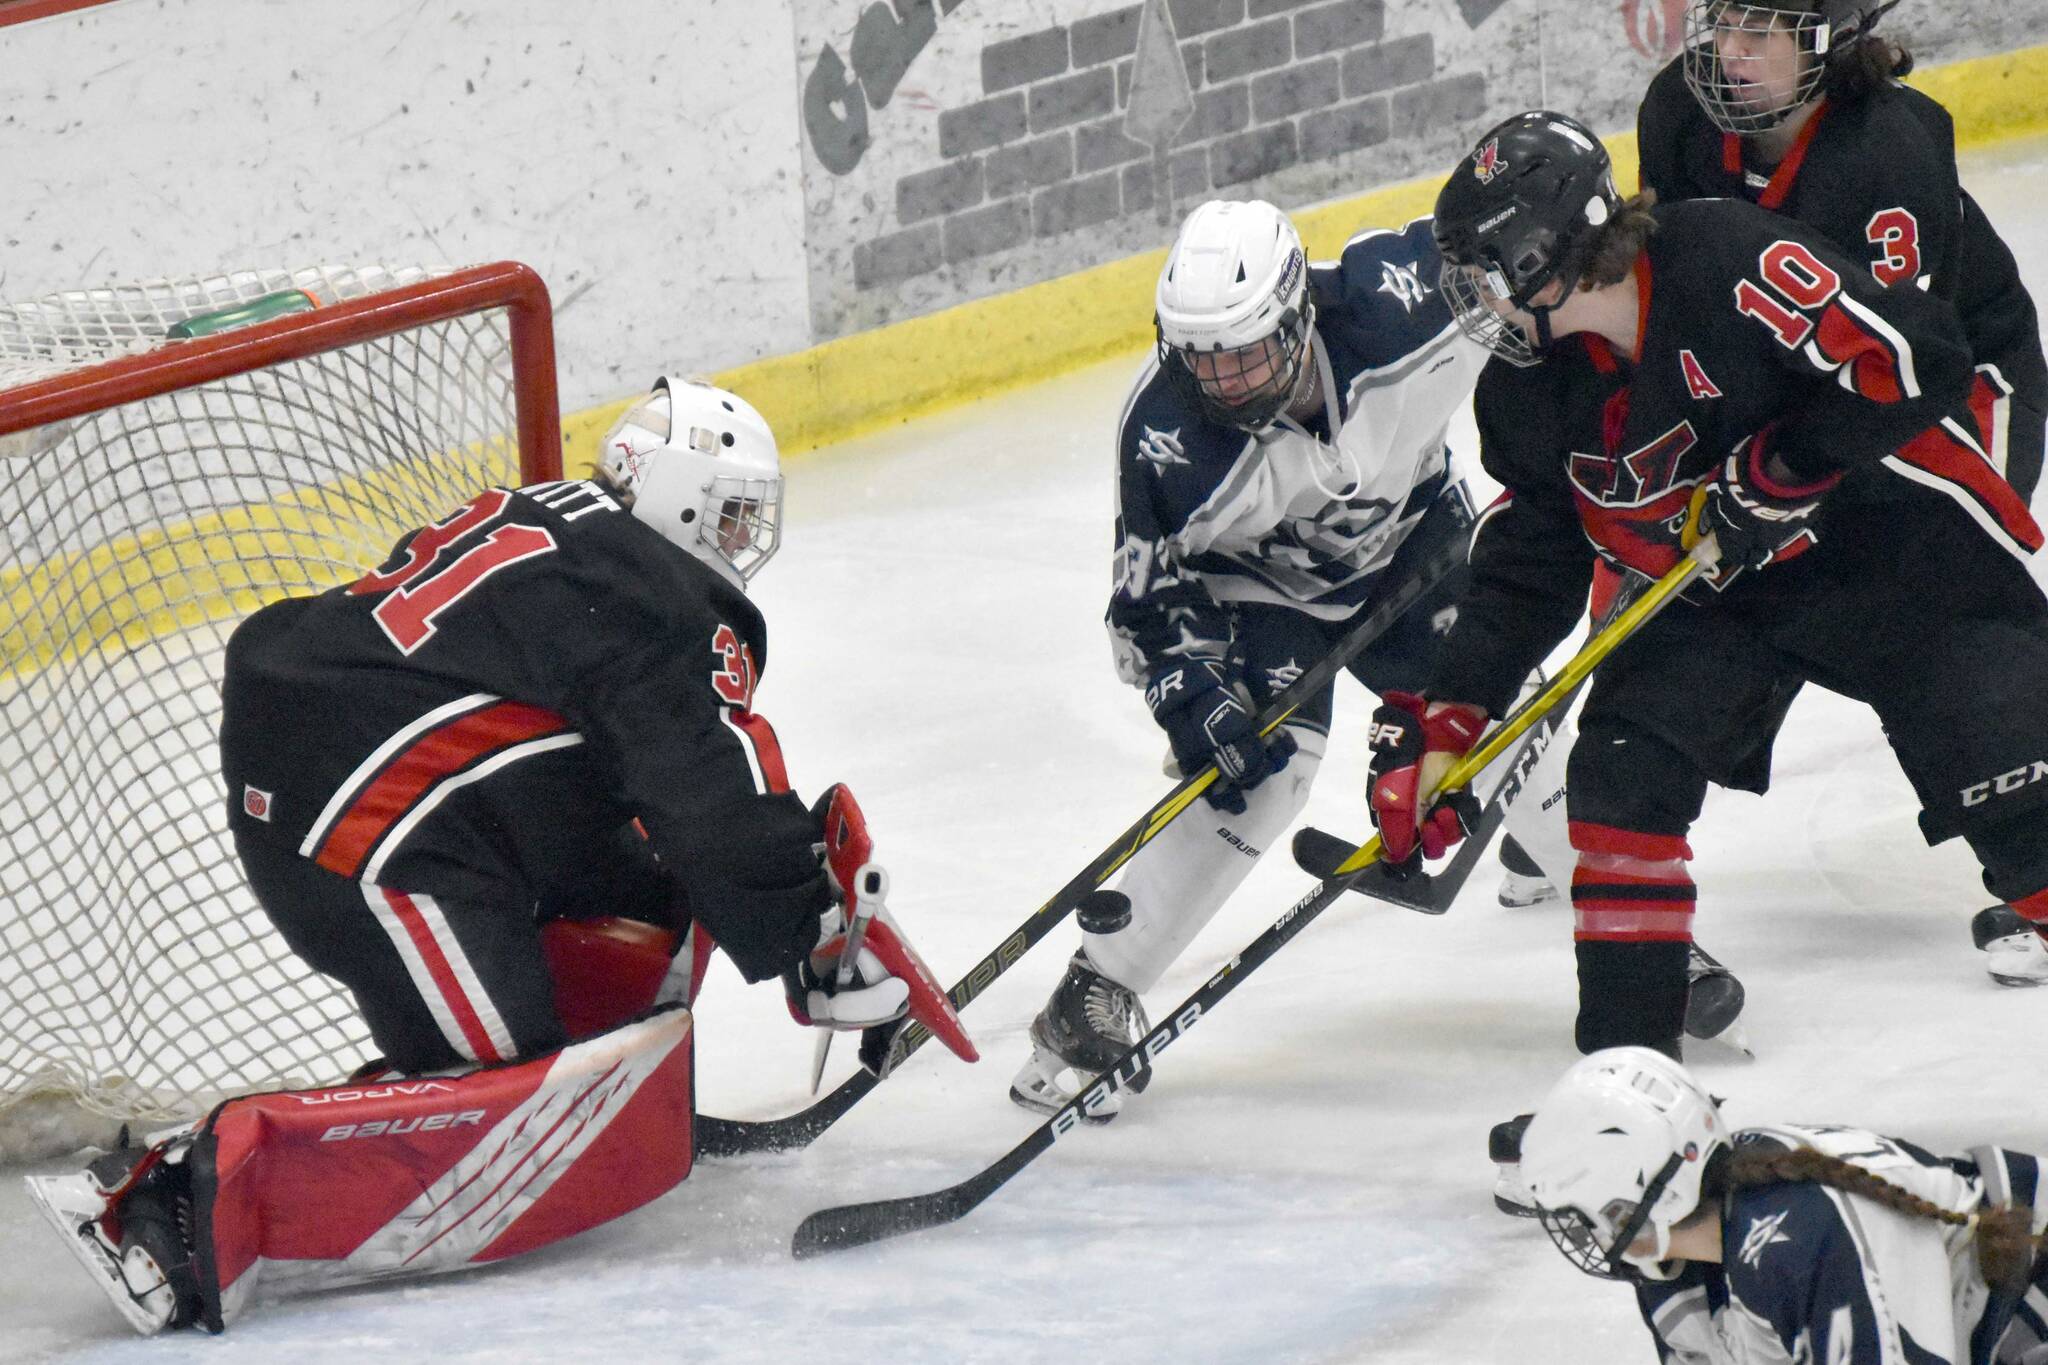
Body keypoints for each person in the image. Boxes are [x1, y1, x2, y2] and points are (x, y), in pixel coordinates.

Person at [25, 376, 973, 1334]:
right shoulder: (654, 593)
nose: (735, 542)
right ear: (673, 494)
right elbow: (709, 798)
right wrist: (809, 926)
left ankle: (601, 1100)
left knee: (650, 895)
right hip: (373, 821)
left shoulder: (571, 525)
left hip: (363, 773)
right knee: (511, 1106)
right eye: (726, 515)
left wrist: (783, 902)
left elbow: (660, 799)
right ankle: (168, 1205)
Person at [1383, 111, 2048, 1174]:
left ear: (1539, 256)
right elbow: (1532, 555)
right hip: (1718, 593)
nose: (1479, 303)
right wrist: (1447, 717)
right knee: (1616, 788)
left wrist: (1786, 465)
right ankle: (1620, 1111)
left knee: (2024, 813)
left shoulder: (1731, 259)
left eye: (1484, 274)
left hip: (1894, 554)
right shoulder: (1526, 384)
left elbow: (1918, 357)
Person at [1006, 195, 1590, 1121]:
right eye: (1201, 358)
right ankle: (1091, 994)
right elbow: (1144, 597)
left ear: (1298, 312)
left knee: (1503, 718)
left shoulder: (1406, 303)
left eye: (1242, 351)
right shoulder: (1165, 438)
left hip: (1412, 545)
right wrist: (1189, 691)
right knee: (1264, 768)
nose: (1224, 381)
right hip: (1258, 590)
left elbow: (1544, 264)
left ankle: (1623, 922)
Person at [1638, 0, 2048, 986]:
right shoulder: (1675, 117)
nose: (1726, 57)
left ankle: (2035, 862)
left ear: (1828, 44)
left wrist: (1777, 472)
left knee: (1915, 602)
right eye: (1719, 28)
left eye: (1758, 36)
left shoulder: (1888, 158)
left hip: (1939, 393)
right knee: (1698, 592)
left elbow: (1896, 374)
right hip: (1784, 392)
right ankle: (1623, 814)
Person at [1518, 1047, 2047, 1363]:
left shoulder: (1805, 1235)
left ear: (1633, 1198)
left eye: (1584, 1215)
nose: (1585, 1236)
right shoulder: (1685, 1265)